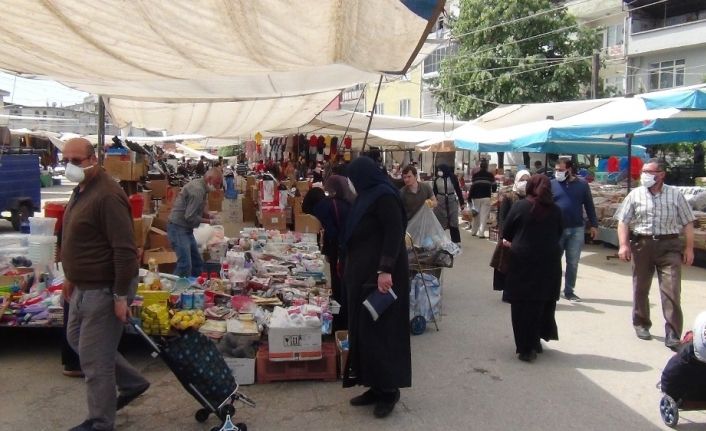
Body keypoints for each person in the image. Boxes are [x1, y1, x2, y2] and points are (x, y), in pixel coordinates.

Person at [61, 138, 149, 431]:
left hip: (105, 286)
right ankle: (133, 382)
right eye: (67, 160)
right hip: (83, 284)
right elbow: (81, 240)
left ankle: (100, 422)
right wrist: (70, 278)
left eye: (77, 160)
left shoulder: (108, 195)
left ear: (93, 159)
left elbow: (124, 249)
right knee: (77, 340)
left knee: (94, 362)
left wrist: (120, 295)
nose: (70, 166)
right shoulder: (81, 190)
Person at [341, 157, 411, 419]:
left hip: (382, 279)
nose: (350, 182)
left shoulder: (385, 196)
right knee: (365, 332)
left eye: (352, 176)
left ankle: (389, 390)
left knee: (382, 333)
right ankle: (373, 385)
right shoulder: (367, 195)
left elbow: (394, 233)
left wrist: (385, 270)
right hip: (362, 277)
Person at [615, 158, 695, 350]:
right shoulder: (636, 195)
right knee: (641, 286)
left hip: (669, 245)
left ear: (661, 175)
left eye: (649, 172)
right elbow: (623, 221)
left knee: (672, 288)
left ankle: (673, 332)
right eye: (643, 171)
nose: (644, 175)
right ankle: (641, 323)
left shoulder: (676, 195)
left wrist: (689, 248)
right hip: (643, 244)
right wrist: (623, 245)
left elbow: (688, 222)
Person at [502, 174, 564, 362]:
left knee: (521, 304)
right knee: (540, 302)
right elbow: (560, 231)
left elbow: (507, 232)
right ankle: (536, 340)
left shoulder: (520, 207)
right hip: (549, 262)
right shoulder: (555, 210)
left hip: (523, 260)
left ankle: (525, 348)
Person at [309, 175, 354, 332]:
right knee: (341, 281)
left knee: (339, 281)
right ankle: (342, 319)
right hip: (346, 245)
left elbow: (332, 231)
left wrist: (330, 251)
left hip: (343, 247)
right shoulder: (339, 202)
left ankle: (340, 322)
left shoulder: (321, 207)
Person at [551, 157, 598, 302]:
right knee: (553, 261)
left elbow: (589, 205)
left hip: (576, 228)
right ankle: (552, 289)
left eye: (560, 170)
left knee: (573, 262)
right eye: (556, 170)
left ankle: (569, 290)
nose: (557, 172)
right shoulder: (551, 184)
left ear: (569, 170)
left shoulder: (582, 185)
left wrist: (594, 225)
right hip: (556, 229)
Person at [167, 168, 223, 278]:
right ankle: (173, 290)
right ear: (209, 179)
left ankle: (194, 286)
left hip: (185, 230)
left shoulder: (201, 187)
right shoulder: (198, 190)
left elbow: (195, 208)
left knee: (197, 262)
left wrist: (209, 215)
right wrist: (210, 221)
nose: (218, 187)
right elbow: (190, 216)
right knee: (185, 264)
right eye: (217, 183)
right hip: (178, 228)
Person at [493, 169, 530, 291]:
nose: (524, 183)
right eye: (522, 180)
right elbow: (502, 217)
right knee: (506, 263)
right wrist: (503, 236)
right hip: (510, 234)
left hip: (524, 234)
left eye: (527, 180)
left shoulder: (531, 198)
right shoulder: (508, 197)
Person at [433, 164, 465, 244]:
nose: (439, 172)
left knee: (453, 221)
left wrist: (462, 202)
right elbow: (434, 192)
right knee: (440, 221)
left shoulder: (453, 178)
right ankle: (440, 241)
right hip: (440, 202)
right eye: (438, 170)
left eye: (441, 170)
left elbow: (458, 190)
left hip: (451, 201)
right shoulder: (437, 179)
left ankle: (455, 241)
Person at [469, 158, 496, 238]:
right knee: (484, 216)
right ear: (487, 167)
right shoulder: (490, 176)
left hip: (476, 197)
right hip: (486, 197)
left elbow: (472, 187)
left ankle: (473, 232)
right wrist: (492, 190)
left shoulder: (475, 176)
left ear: (480, 167)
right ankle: (481, 233)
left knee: (476, 215)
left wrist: (470, 197)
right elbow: (494, 187)